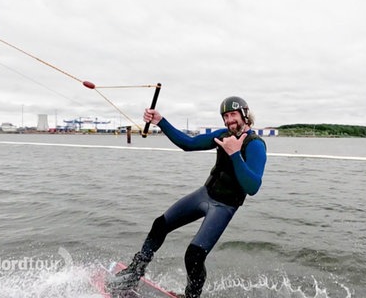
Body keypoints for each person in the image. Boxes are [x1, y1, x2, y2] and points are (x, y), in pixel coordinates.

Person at [107, 96, 267, 298]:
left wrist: (235, 154)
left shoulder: (255, 145)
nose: (229, 120)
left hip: (224, 206)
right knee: (160, 225)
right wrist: (160, 121)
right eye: (225, 116)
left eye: (233, 115)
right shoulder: (223, 135)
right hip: (205, 194)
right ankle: (134, 272)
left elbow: (253, 187)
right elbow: (188, 143)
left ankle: (192, 296)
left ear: (245, 114)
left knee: (194, 256)